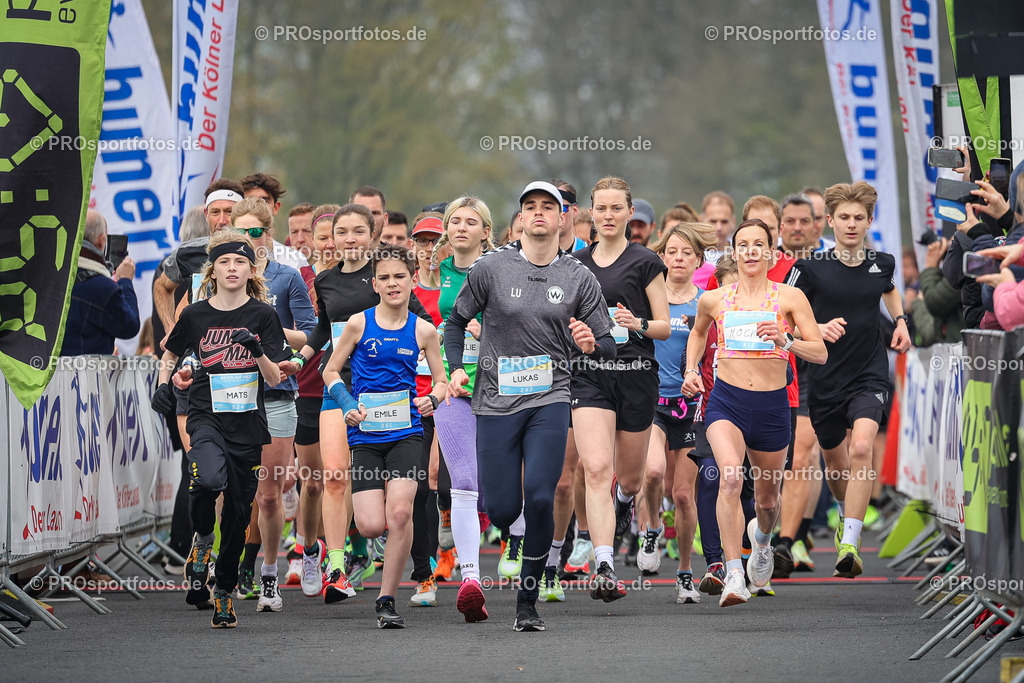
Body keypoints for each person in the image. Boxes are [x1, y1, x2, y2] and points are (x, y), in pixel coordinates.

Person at [444, 181, 616, 632]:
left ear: (563, 219)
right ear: (520, 218)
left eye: (548, 207)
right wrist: (456, 369)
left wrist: (590, 342)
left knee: (541, 496)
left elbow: (609, 346)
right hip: (497, 402)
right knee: (501, 508)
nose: (538, 214)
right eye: (529, 207)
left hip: (551, 398)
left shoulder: (579, 277)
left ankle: (528, 600)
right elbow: (456, 320)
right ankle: (512, 537)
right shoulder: (492, 268)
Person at [287, 204, 434, 603]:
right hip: (340, 389)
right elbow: (323, 328)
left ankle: (383, 543)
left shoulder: (387, 275)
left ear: (372, 234)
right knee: (334, 475)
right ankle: (336, 566)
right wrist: (301, 359)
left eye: (358, 231)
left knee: (386, 495)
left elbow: (423, 323)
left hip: (386, 395)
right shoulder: (325, 281)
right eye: (342, 232)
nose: (350, 239)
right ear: (332, 238)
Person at [683, 219, 826, 606]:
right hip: (726, 402)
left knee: (766, 501)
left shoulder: (790, 298)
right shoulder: (715, 299)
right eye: (742, 244)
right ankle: (733, 574)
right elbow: (697, 333)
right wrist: (692, 369)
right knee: (729, 478)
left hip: (772, 406)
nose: (749, 251)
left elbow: (821, 352)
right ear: (734, 251)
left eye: (757, 244)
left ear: (769, 251)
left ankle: (761, 541)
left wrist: (788, 339)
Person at [160, 230, 291, 628]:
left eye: (239, 263)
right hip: (205, 416)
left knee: (238, 513)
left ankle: (224, 593)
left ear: (251, 271)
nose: (232, 268)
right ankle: (202, 541)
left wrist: (255, 350)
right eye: (224, 262)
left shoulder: (264, 315)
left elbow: (274, 379)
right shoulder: (195, 314)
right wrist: (164, 384)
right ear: (212, 271)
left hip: (248, 424)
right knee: (207, 481)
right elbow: (170, 351)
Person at [785, 181, 911, 578]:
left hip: (869, 374)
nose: (852, 224)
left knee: (862, 448)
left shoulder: (882, 263)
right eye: (844, 218)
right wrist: (815, 329)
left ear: (869, 220)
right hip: (823, 380)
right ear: (830, 221)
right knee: (836, 466)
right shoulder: (809, 267)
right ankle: (846, 514)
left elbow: (888, 290)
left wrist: (902, 321)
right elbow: (780, 312)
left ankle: (850, 544)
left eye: (859, 218)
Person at [322, 244, 448, 629]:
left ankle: (386, 599)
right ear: (374, 283)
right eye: (386, 278)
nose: (394, 284)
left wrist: (433, 400)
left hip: (407, 432)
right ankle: (381, 550)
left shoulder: (424, 330)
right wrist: (346, 404)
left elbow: (441, 381)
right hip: (365, 435)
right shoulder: (358, 324)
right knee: (372, 525)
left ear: (412, 280)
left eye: (401, 277)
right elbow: (330, 372)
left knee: (400, 511)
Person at [571, 176, 671, 602]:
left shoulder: (645, 261)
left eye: (617, 208)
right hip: (590, 373)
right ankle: (605, 564)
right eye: (601, 208)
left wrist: (638, 324)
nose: (608, 216)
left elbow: (664, 327)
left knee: (629, 480)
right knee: (595, 468)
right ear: (590, 213)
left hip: (635, 373)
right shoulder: (575, 264)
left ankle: (628, 505)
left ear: (630, 213)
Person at [227, 198, 316, 612]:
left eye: (256, 232)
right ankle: (219, 564)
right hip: (231, 393)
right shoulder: (222, 276)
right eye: (240, 233)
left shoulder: (287, 276)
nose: (249, 241)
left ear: (269, 233)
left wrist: (269, 330)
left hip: (276, 393)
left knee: (268, 495)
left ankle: (267, 576)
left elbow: (315, 333)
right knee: (225, 486)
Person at [428, 198, 510, 618]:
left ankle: (517, 540)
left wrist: (490, 327)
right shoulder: (430, 274)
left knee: (502, 489)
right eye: (454, 221)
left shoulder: (502, 269)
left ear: (485, 231)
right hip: (453, 388)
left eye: (471, 222)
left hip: (502, 392)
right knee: (461, 479)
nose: (461, 227)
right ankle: (471, 578)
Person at [636, 222, 716, 605]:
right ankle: (651, 526)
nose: (680, 258)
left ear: (698, 259)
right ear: (662, 257)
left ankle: (685, 574)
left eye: (688, 252)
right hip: (652, 402)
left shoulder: (705, 303)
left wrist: (696, 376)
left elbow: (712, 355)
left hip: (690, 407)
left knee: (684, 495)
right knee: (652, 472)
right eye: (673, 252)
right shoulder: (650, 300)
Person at [284, 204, 341, 594]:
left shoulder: (361, 279)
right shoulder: (297, 278)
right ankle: (307, 550)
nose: (326, 244)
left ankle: (340, 554)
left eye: (328, 237)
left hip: (349, 388)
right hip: (306, 387)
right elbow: (308, 332)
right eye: (319, 237)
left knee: (341, 476)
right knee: (314, 482)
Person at [153, 179, 244, 342]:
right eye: (215, 212)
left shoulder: (257, 254)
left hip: (242, 352)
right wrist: (170, 329)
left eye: (229, 212)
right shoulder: (188, 252)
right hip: (196, 354)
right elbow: (161, 286)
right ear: (206, 215)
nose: (222, 221)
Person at [62, 209, 140, 355]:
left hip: (46, 371)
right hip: (87, 374)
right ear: (102, 240)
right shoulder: (103, 288)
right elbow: (130, 327)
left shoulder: (52, 277)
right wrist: (125, 281)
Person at [239, 172, 308, 272]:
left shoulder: (295, 260)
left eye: (265, 201)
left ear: (276, 207)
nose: (258, 207)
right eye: (251, 201)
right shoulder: (226, 258)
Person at [701, 191, 736, 265]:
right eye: (713, 221)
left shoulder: (742, 254)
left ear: (733, 221)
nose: (718, 228)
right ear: (701, 221)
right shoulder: (692, 255)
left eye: (724, 222)